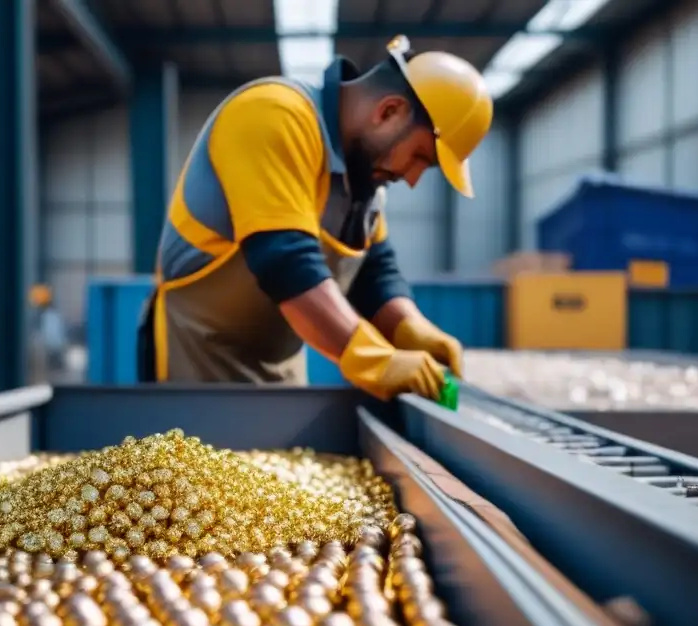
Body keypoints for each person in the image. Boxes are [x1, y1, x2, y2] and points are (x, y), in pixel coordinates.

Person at [136, 35, 493, 401]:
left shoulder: (364, 184)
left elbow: (375, 273)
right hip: (198, 363)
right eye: (420, 156)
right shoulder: (273, 115)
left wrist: (409, 327)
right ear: (389, 111)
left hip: (278, 371)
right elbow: (285, 261)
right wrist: (376, 360)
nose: (413, 178)